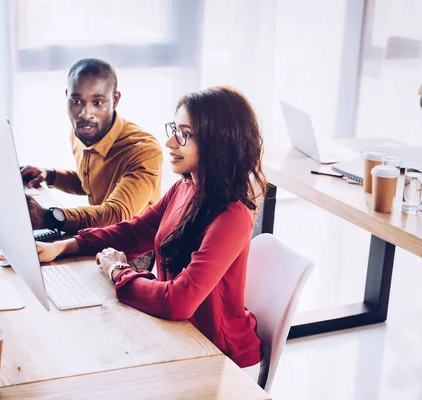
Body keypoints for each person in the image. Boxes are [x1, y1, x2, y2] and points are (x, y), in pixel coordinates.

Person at [34, 86, 266, 374]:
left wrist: (118, 271)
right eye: (174, 128)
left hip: (218, 355)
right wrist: (65, 246)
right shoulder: (186, 187)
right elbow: (133, 232)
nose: (169, 142)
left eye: (185, 134)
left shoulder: (232, 216)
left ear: (217, 143)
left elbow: (178, 302)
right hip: (178, 334)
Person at [20, 58, 163, 234]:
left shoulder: (143, 150)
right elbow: (90, 182)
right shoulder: (81, 132)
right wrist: (49, 175)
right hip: (100, 234)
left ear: (115, 99)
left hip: (134, 248)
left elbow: (118, 214)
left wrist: (50, 217)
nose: (85, 114)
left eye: (97, 102)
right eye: (76, 101)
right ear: (67, 97)